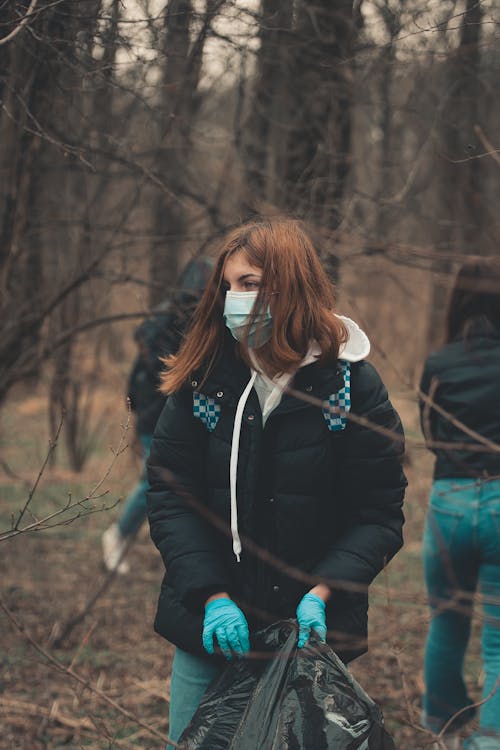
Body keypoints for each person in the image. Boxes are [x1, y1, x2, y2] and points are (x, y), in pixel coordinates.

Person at [146, 218, 407, 745]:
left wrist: (324, 592)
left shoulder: (347, 385)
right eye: (227, 285)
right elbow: (171, 496)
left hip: (308, 640)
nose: (232, 299)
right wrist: (212, 595)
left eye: (249, 284)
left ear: (290, 286)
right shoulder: (205, 377)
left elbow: (378, 512)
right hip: (208, 628)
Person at [419, 259, 500, 750]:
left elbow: (430, 434)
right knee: (498, 640)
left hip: (449, 501)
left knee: (446, 624)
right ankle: (490, 740)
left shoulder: (439, 362)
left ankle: (444, 735)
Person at [101, 257, 213, 574]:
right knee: (156, 481)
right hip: (159, 418)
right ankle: (118, 535)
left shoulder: (195, 319)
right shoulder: (171, 322)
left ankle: (186, 552)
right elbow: (163, 374)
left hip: (182, 418)